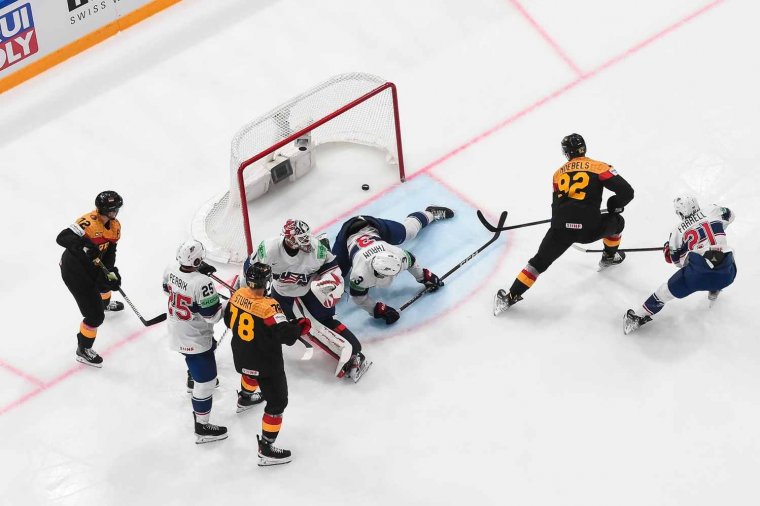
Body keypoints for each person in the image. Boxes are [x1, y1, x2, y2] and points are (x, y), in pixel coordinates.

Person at [494, 134, 634, 315]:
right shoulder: (599, 167)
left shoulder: (558, 173)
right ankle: (608, 257)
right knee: (618, 223)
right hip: (589, 229)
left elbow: (557, 205)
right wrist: (614, 205)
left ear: (567, 152)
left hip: (560, 230)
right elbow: (627, 192)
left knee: (538, 263)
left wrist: (564, 219)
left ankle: (510, 297)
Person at [241, 219, 368, 380]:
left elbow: (333, 269)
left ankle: (355, 353)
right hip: (281, 292)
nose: (308, 241)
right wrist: (248, 292)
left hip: (309, 289)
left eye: (307, 236)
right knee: (283, 328)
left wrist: (328, 282)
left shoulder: (316, 249)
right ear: (290, 239)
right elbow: (249, 269)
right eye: (302, 238)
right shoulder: (269, 248)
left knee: (325, 320)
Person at [225, 262, 311, 466]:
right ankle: (266, 448)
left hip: (241, 356)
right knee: (277, 404)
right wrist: (299, 327)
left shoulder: (237, 295)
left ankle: (245, 398)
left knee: (249, 372)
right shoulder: (269, 306)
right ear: (267, 282)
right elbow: (287, 337)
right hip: (266, 364)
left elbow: (228, 321)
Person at [624, 195, 737, 334]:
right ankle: (715, 288)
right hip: (728, 275)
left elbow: (677, 262)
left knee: (663, 292)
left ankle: (637, 317)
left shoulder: (677, 232)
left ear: (680, 212)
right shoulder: (713, 210)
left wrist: (669, 250)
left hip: (697, 276)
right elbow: (731, 215)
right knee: (724, 253)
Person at [332, 206, 454, 325]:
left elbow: (410, 260)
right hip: (346, 236)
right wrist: (376, 310)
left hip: (372, 226)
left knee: (409, 232)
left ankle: (431, 213)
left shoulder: (397, 255)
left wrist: (424, 276)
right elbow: (358, 297)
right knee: (335, 276)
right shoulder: (360, 274)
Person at [162, 240, 228, 444]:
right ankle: (202, 427)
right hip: (195, 338)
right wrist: (229, 303)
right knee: (207, 383)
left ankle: (192, 379)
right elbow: (212, 317)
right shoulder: (203, 283)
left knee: (197, 356)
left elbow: (167, 290)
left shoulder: (171, 268)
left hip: (176, 329)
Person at [56, 191, 125, 367]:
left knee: (106, 282)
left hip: (93, 265)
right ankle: (83, 350)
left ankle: (105, 304)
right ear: (103, 210)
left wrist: (110, 271)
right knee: (95, 316)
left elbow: (110, 252)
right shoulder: (88, 222)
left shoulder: (115, 226)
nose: (116, 212)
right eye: (112, 209)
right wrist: (84, 244)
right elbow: (62, 237)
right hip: (75, 272)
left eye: (117, 208)